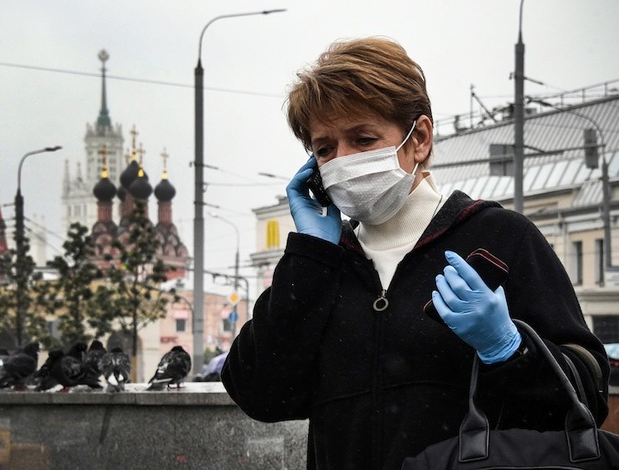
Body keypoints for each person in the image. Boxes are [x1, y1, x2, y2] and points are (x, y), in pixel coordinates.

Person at [221, 36, 609, 469]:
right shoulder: (326, 263)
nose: (341, 161)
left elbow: (589, 394)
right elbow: (260, 393)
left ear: (418, 138)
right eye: (325, 148)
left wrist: (510, 350)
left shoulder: (500, 239)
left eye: (363, 139)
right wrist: (310, 256)